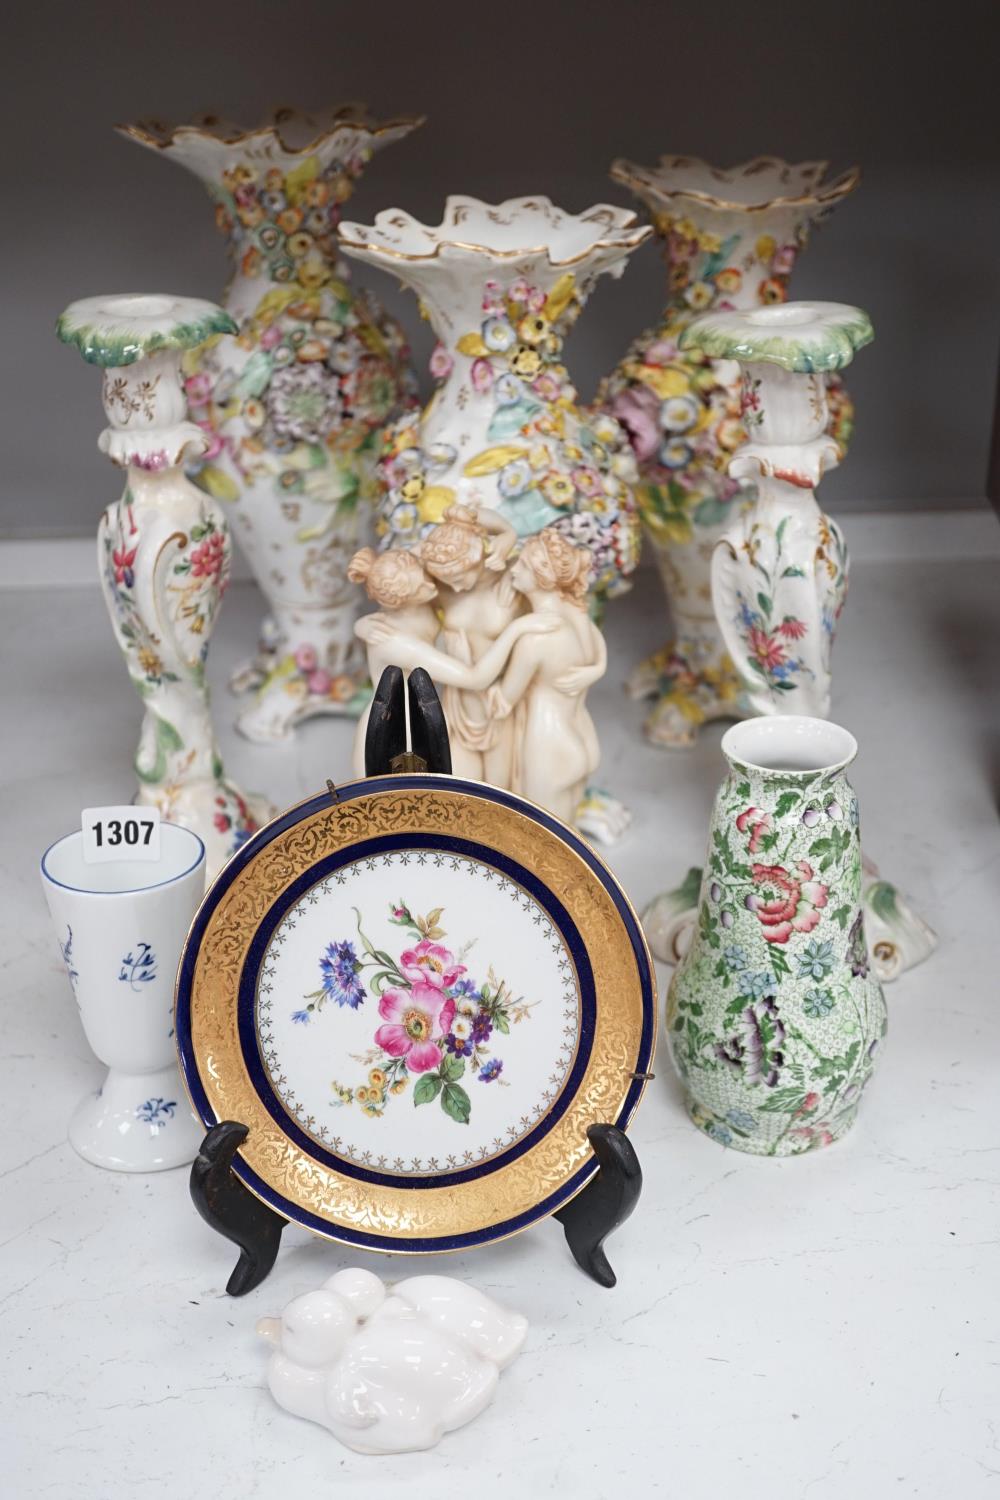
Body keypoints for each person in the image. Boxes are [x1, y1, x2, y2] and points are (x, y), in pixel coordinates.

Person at [348, 546, 555, 777]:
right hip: (395, 731)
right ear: (401, 601)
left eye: (424, 576)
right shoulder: (393, 641)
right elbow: (475, 678)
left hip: (427, 716)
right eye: (422, 586)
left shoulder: (415, 602)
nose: (431, 584)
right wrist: (518, 628)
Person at [487, 529, 606, 824]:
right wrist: (597, 669)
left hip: (545, 746)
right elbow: (599, 649)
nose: (514, 568)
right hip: (580, 734)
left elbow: (504, 701)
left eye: (524, 565)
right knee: (567, 835)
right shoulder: (576, 613)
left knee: (543, 843)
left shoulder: (535, 640)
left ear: (543, 576)